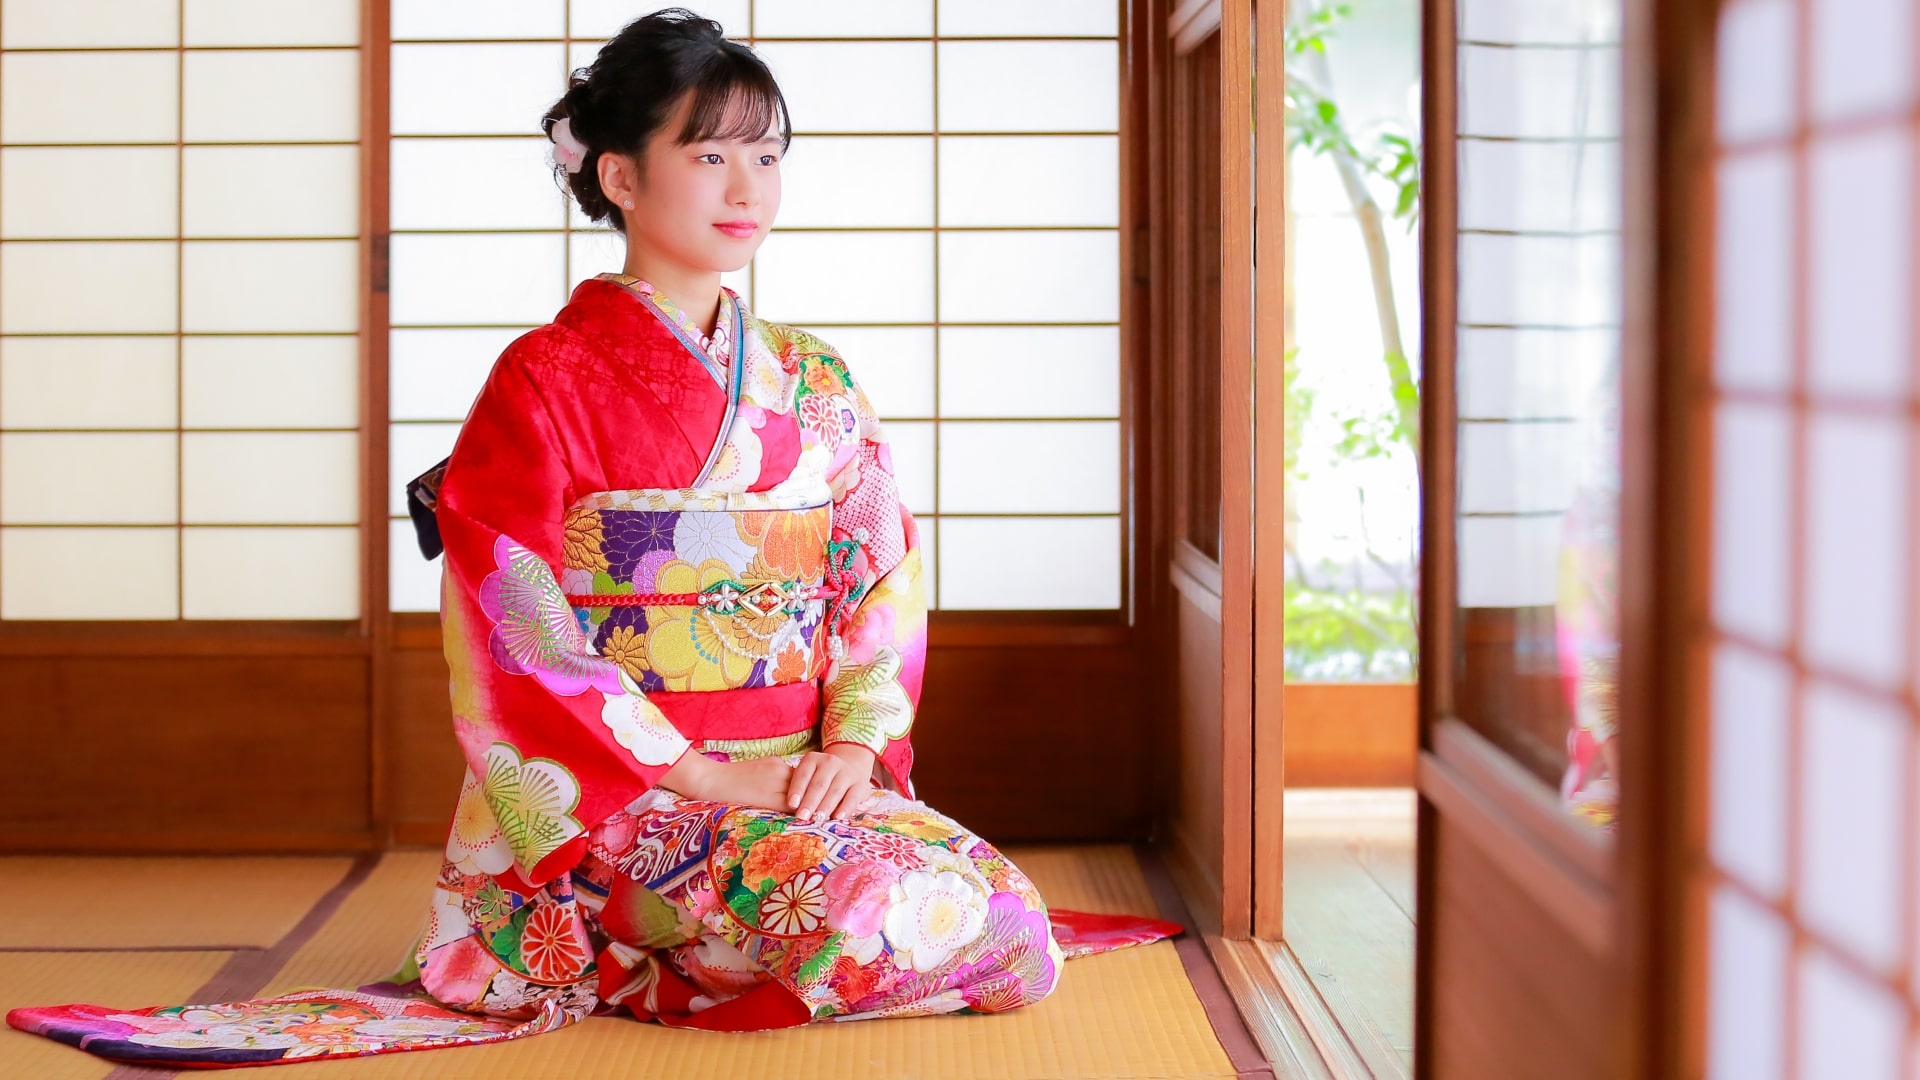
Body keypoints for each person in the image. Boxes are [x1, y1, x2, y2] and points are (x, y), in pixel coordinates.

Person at [8, 10, 1175, 1067]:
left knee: (1015, 931)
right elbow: (512, 619)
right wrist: (708, 770)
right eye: (709, 153)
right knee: (885, 913)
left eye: (766, 155)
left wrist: (854, 753)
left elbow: (881, 581)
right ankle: (628, 950)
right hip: (628, 792)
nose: (747, 186)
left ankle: (695, 957)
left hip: (804, 780)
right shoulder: (540, 380)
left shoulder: (815, 378)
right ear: (619, 175)